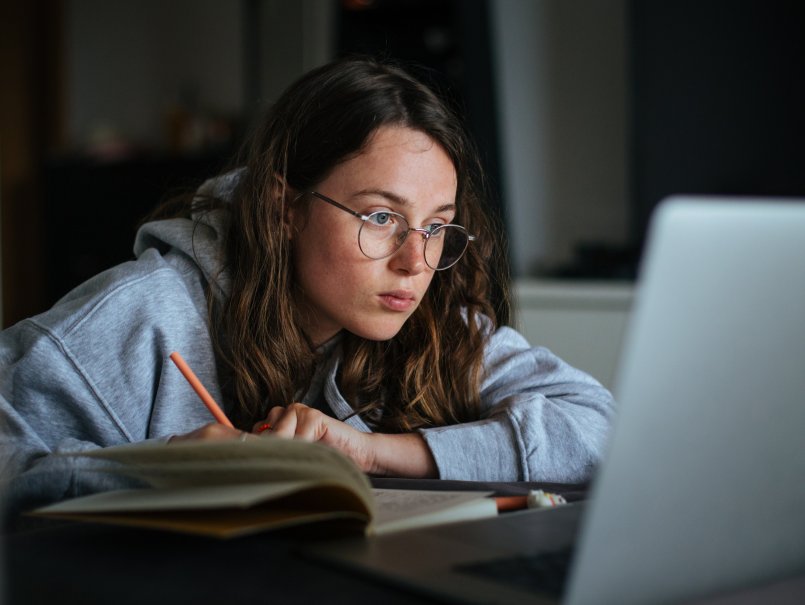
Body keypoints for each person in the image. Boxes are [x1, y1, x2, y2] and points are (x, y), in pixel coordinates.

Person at [0, 56, 614, 522]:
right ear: (284, 207)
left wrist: (375, 454)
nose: (414, 263)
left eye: (435, 227)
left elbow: (599, 431)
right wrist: (159, 471)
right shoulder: (146, 315)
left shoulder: (436, 322)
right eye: (379, 217)